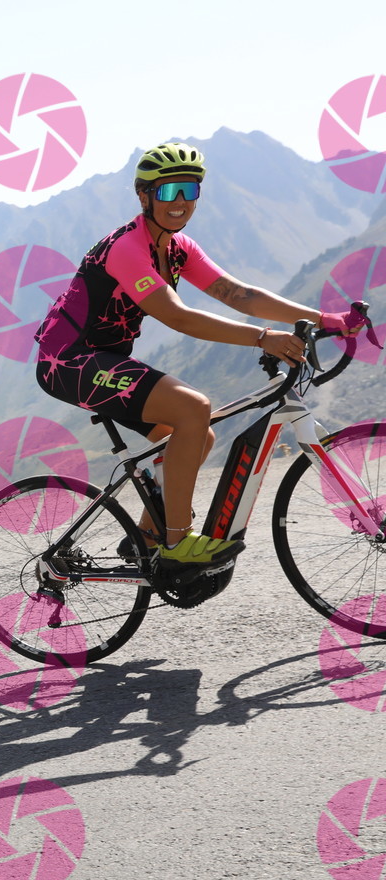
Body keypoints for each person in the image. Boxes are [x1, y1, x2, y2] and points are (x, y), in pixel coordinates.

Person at [34, 141, 365, 564]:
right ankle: (177, 543)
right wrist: (263, 338)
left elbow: (239, 294)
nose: (180, 202)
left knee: (198, 434)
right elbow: (179, 317)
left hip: (105, 359)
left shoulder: (177, 248)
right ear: (144, 196)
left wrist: (326, 318)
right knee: (194, 409)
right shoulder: (126, 249)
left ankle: (146, 541)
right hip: (68, 361)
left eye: (189, 190)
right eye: (168, 191)